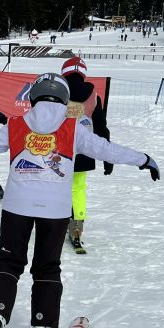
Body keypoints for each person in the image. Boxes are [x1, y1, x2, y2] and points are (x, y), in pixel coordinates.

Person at [0, 73, 159, 328]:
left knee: (8, 261)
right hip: (56, 210)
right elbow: (107, 149)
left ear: (34, 97)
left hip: (16, 207)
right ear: (62, 97)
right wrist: (143, 159)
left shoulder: (16, 124)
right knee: (47, 267)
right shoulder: (74, 127)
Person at [60, 57, 112, 252]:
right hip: (84, 151)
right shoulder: (94, 97)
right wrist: (107, 156)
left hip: (59, 150)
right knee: (78, 188)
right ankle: (76, 227)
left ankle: (55, 222)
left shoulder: (58, 92)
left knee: (56, 185)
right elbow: (101, 127)